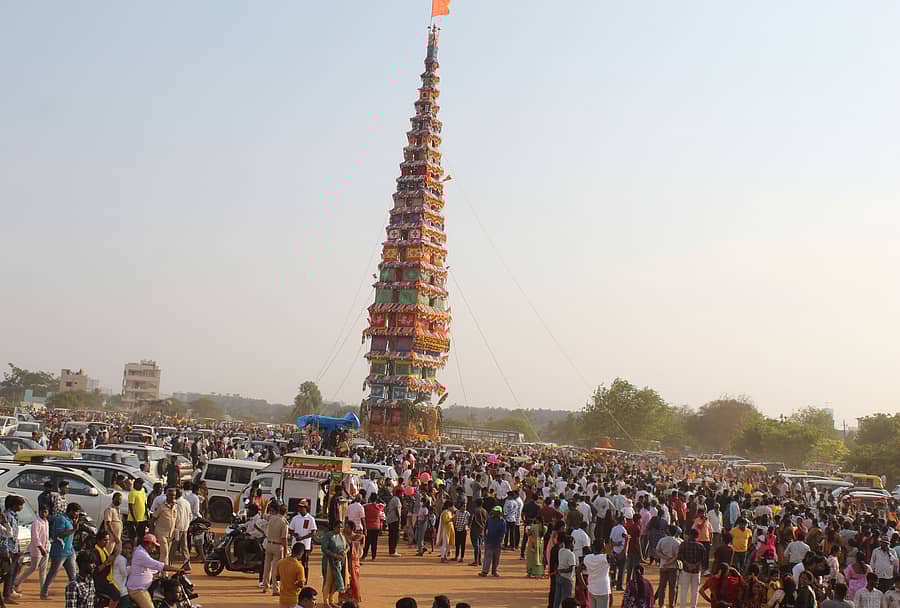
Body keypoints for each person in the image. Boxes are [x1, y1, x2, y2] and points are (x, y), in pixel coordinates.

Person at [126, 534, 188, 608]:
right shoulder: (141, 554)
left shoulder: (142, 552)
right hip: (137, 589)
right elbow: (158, 565)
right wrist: (177, 569)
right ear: (149, 544)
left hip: (145, 586)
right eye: (154, 546)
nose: (154, 549)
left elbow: (152, 568)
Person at [41, 502, 82, 600]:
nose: (77, 515)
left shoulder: (70, 520)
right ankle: (44, 592)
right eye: (76, 512)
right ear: (71, 511)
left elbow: (70, 535)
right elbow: (60, 534)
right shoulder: (61, 519)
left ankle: (75, 595)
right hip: (60, 551)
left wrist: (74, 528)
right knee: (53, 572)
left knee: (73, 576)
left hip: (69, 551)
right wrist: (73, 530)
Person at [14, 503, 49, 592]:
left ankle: (43, 589)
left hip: (45, 548)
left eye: (45, 512)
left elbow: (46, 536)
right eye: (42, 512)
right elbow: (35, 537)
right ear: (39, 512)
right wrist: (41, 548)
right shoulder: (36, 522)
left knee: (43, 570)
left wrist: (46, 547)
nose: (44, 514)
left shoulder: (46, 522)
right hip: (37, 549)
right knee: (33, 567)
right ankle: (17, 582)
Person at [0, 495, 23, 603]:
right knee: (6, 574)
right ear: (14, 505)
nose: (21, 507)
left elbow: (13, 534)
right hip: (7, 550)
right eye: (20, 505)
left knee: (12, 572)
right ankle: (6, 595)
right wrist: (6, 550)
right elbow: (4, 535)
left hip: (13, 549)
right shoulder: (7, 516)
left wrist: (17, 548)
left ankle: (8, 593)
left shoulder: (14, 516)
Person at [321, 521, 349, 608]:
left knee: (336, 581)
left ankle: (331, 599)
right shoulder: (328, 536)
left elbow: (348, 546)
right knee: (328, 581)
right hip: (330, 561)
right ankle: (325, 601)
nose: (340, 529)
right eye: (338, 527)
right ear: (334, 527)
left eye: (341, 527)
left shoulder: (342, 536)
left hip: (340, 561)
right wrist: (335, 555)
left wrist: (345, 551)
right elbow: (324, 549)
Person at [262, 503, 289, 595]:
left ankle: (265, 586)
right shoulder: (284, 523)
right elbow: (284, 539)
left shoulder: (271, 517)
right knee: (275, 569)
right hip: (278, 546)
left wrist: (266, 505)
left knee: (267, 567)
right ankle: (275, 589)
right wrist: (285, 550)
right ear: (285, 512)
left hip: (269, 544)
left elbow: (263, 514)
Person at [678, 528, 707, 608]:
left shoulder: (683, 544)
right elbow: (703, 559)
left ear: (689, 535)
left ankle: (682, 606)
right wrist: (696, 565)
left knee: (684, 589)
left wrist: (686, 563)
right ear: (697, 536)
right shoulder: (701, 546)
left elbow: (679, 556)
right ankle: (693, 606)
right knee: (695, 590)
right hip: (696, 570)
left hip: (686, 570)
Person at [90, 528, 120, 602]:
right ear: (98, 540)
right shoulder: (95, 552)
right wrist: (106, 563)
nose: (107, 542)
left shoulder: (103, 549)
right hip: (100, 581)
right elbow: (95, 570)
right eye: (105, 540)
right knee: (117, 595)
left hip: (106, 578)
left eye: (108, 540)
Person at [655, 525, 681, 608]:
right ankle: (671, 604)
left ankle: (661, 604)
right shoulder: (677, 542)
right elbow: (677, 556)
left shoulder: (662, 540)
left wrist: (665, 559)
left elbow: (657, 551)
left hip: (663, 566)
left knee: (662, 586)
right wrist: (669, 562)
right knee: (672, 587)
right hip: (673, 567)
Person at [289, 500, 316, 577]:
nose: (300, 509)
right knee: (294, 562)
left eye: (301, 507)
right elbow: (290, 530)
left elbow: (313, 532)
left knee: (305, 563)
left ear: (306, 508)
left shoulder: (311, 518)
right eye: (299, 507)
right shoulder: (295, 518)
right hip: (295, 544)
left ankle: (304, 578)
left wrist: (302, 538)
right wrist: (295, 535)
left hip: (306, 545)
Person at [150, 488, 177, 565]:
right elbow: (153, 519)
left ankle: (163, 572)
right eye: (171, 495)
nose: (172, 497)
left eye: (174, 495)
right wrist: (151, 532)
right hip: (161, 533)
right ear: (167, 496)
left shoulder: (175, 506)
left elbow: (175, 521)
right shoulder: (161, 506)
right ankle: (164, 573)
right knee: (164, 552)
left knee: (166, 554)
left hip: (170, 534)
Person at [478, 505, 506, 578]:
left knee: (496, 558)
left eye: (497, 512)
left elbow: (503, 532)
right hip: (489, 540)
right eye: (495, 511)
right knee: (488, 556)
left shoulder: (502, 521)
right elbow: (485, 527)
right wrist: (485, 537)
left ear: (500, 513)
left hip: (497, 541)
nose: (495, 513)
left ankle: (494, 571)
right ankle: (485, 571)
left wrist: (501, 541)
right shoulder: (489, 519)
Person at [339, 521, 363, 605]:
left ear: (351, 529)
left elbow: (359, 550)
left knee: (354, 580)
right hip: (344, 561)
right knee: (344, 579)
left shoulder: (357, 537)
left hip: (353, 562)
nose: (345, 528)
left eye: (347, 527)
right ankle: (342, 599)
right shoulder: (342, 536)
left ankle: (355, 599)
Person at [278, 543, 307, 608]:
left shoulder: (281, 562)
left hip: (282, 598)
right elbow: (301, 584)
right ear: (301, 553)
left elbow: (277, 577)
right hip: (294, 599)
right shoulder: (299, 567)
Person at [553, 534, 576, 608]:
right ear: (570, 543)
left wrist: (559, 571)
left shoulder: (561, 551)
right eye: (573, 543)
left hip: (559, 577)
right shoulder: (571, 554)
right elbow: (570, 569)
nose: (573, 545)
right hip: (567, 578)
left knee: (557, 598)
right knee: (566, 599)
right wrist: (562, 570)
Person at [361, 493, 384, 560]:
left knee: (367, 542)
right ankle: (373, 556)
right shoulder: (379, 507)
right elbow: (384, 504)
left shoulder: (366, 507)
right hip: (376, 526)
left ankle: (364, 555)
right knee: (374, 542)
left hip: (368, 526)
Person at [469, 498, 487, 567]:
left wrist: (469, 525)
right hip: (482, 530)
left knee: (476, 546)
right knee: (479, 545)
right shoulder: (484, 511)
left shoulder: (475, 510)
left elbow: (472, 519)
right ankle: (479, 560)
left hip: (475, 529)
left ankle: (476, 561)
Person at [386, 490, 403, 557]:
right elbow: (397, 510)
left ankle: (391, 550)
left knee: (391, 535)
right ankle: (393, 551)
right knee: (395, 535)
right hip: (395, 519)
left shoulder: (392, 499)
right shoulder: (397, 500)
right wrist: (399, 519)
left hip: (390, 519)